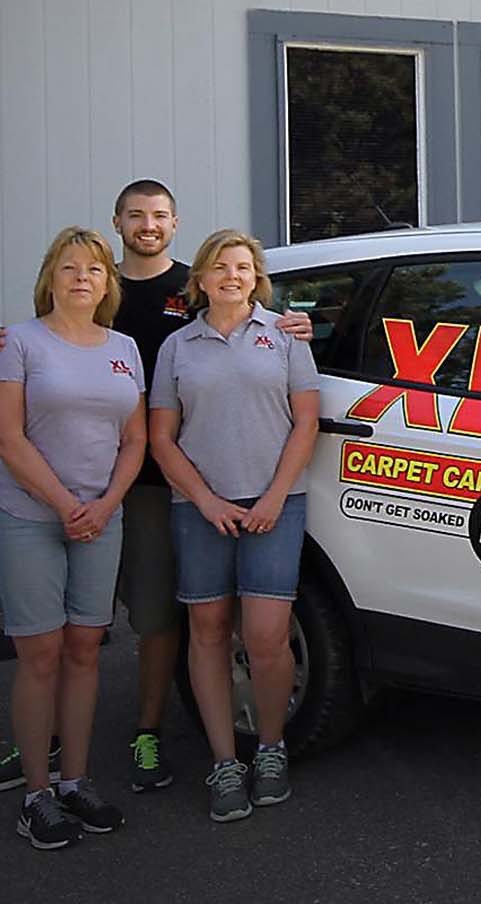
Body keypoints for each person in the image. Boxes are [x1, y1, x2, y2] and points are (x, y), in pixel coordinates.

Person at [0, 180, 313, 796]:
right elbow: (36, 360)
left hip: (153, 484)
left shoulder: (196, 289)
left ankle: (145, 734)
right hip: (75, 490)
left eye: (158, 215)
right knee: (60, 633)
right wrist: (4, 342)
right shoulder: (84, 296)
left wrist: (298, 323)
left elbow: (275, 367)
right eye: (135, 215)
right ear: (117, 222)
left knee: (154, 618)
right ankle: (38, 750)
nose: (146, 225)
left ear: (175, 223)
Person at [149, 229, 320, 823]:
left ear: (257, 278)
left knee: (269, 636)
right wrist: (204, 500)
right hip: (200, 508)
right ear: (200, 279)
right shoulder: (178, 347)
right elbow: (161, 439)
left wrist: (275, 495)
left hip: (277, 502)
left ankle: (270, 749)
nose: (232, 276)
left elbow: (306, 425)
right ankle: (225, 760)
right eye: (220, 267)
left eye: (244, 267)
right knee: (209, 631)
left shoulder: (286, 336)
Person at [0, 227, 145, 850]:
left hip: (101, 519)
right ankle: (36, 793)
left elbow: (135, 439)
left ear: (108, 283)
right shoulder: (18, 344)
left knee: (84, 649)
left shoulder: (125, 348)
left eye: (95, 269)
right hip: (30, 517)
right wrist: (66, 504)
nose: (83, 277)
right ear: (50, 276)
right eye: (70, 267)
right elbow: (7, 437)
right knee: (41, 654)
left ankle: (75, 780)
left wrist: (104, 505)